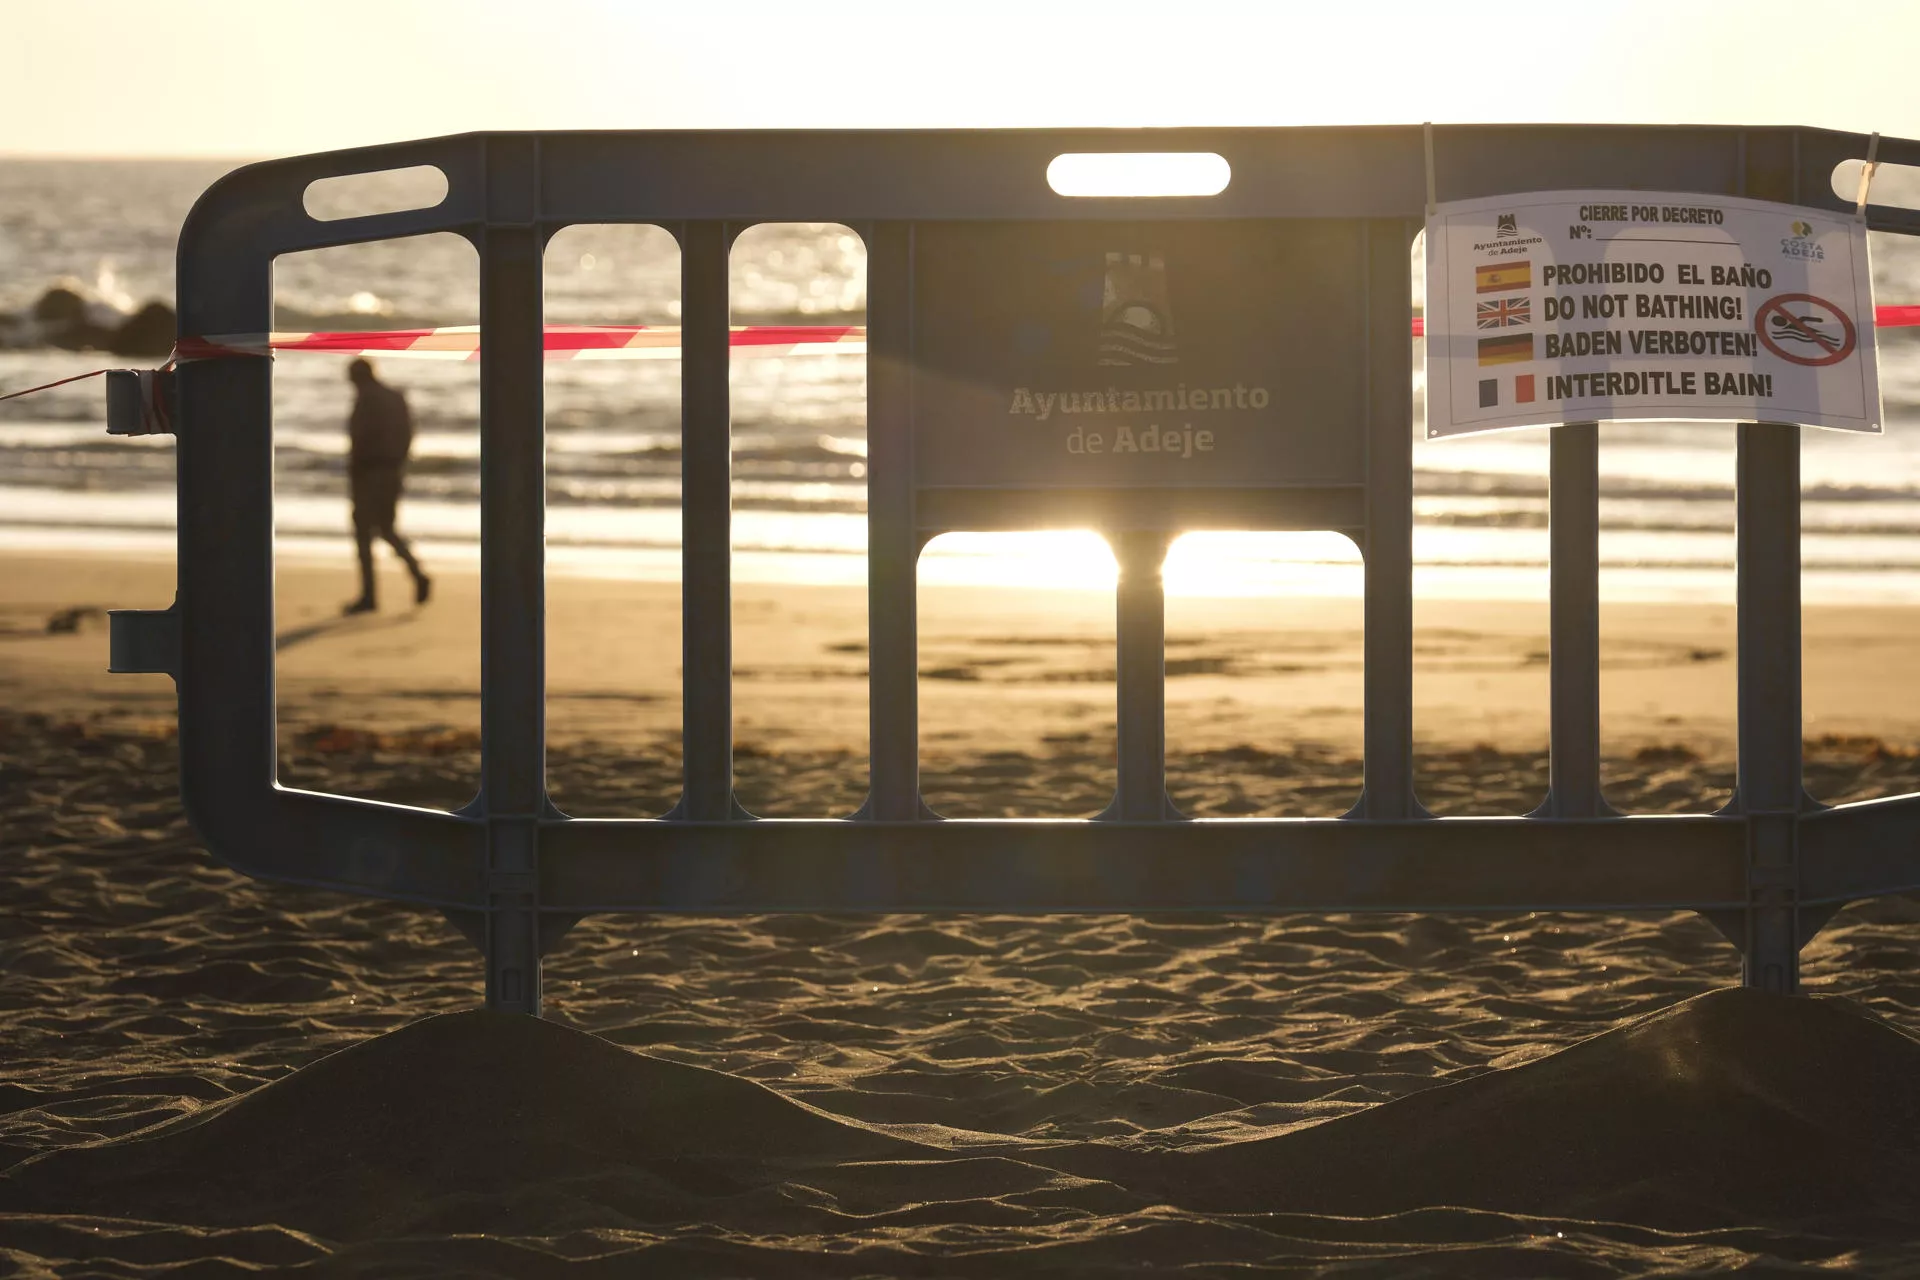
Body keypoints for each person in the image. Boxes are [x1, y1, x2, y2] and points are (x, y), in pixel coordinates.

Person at [342, 358, 430, 614]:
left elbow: (360, 438)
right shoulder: (394, 397)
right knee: (387, 529)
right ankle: (416, 572)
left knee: (364, 533)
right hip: (392, 470)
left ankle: (369, 595)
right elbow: (408, 435)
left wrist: (357, 469)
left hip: (370, 472)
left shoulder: (367, 400)